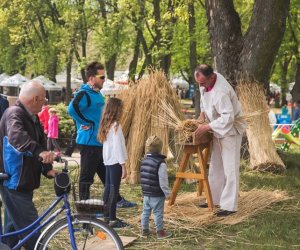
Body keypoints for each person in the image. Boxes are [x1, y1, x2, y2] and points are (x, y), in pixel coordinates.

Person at [68, 61, 136, 208]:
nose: (104, 79)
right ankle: (83, 207)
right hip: (89, 142)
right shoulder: (84, 93)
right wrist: (85, 122)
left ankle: (116, 200)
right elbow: (72, 108)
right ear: (92, 78)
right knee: (87, 177)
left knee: (107, 175)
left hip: (99, 141)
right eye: (102, 77)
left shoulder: (96, 93)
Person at [0, 81, 57, 249]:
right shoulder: (14, 114)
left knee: (13, 229)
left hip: (23, 181)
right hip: (14, 182)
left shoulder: (32, 118)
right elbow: (17, 137)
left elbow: (40, 142)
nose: (45, 103)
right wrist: (40, 152)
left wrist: (48, 169)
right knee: (32, 231)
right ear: (36, 98)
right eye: (44, 99)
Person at [194, 64, 246, 217]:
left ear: (211, 77)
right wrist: (203, 113)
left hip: (230, 130)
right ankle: (214, 199)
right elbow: (204, 98)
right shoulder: (205, 81)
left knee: (230, 167)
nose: (200, 86)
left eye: (203, 83)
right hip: (217, 128)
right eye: (198, 83)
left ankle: (229, 205)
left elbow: (228, 118)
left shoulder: (221, 91)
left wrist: (207, 126)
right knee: (216, 165)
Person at [98, 97, 129, 228]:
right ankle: (113, 219)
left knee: (108, 189)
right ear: (116, 110)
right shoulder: (116, 125)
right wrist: (123, 165)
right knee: (114, 190)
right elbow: (118, 146)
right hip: (115, 161)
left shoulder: (106, 124)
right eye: (121, 109)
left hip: (108, 161)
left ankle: (106, 216)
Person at [140, 136, 172, 239]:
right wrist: (167, 193)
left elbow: (143, 177)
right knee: (158, 213)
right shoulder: (161, 163)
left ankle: (144, 230)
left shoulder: (144, 160)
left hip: (146, 194)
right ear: (160, 148)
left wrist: (144, 192)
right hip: (157, 194)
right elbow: (163, 181)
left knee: (145, 212)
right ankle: (160, 232)